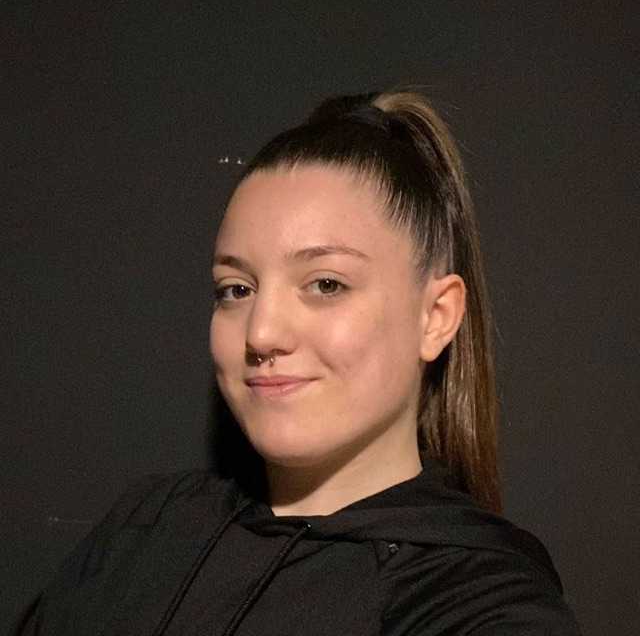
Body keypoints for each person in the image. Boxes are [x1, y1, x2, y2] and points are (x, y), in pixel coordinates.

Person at [14, 89, 581, 635]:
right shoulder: (147, 527)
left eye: (326, 284)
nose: (261, 333)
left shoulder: (479, 606)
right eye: (236, 290)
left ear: (435, 317)